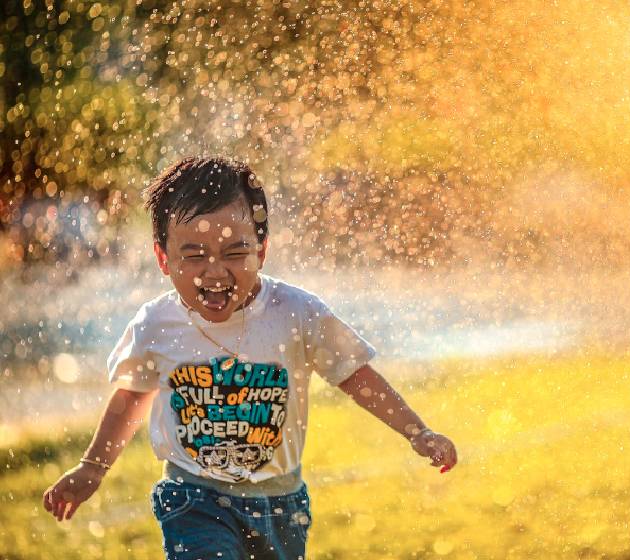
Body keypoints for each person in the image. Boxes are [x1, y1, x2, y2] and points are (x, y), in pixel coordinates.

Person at [42, 156, 458, 559]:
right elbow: (132, 397)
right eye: (194, 255)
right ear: (163, 258)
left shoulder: (296, 312)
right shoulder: (157, 324)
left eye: (234, 253)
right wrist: (93, 466)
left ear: (262, 249)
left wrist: (416, 431)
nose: (215, 271)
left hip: (280, 504)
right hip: (193, 496)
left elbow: (355, 375)